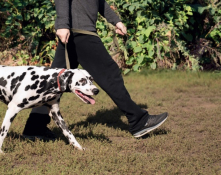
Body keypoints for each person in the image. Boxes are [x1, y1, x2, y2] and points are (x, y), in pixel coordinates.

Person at [22, 0, 168, 140]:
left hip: (76, 32)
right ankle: (139, 121)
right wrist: (62, 24)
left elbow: (99, 2)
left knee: (53, 83)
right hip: (78, 32)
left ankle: (35, 127)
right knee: (110, 74)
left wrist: (116, 21)